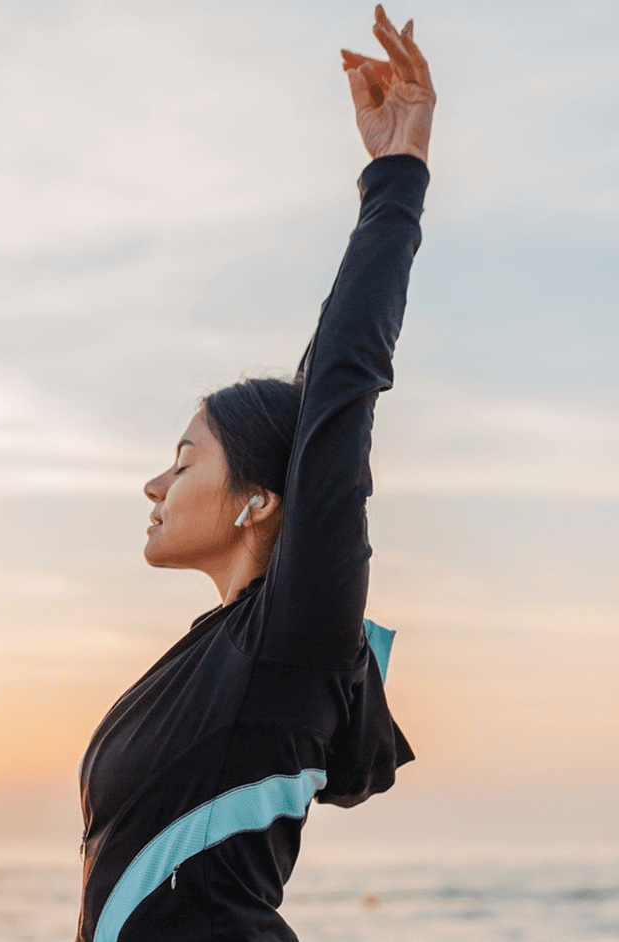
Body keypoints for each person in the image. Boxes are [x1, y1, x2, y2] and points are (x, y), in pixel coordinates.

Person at [76, 6, 435, 940]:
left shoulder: (292, 640)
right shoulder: (223, 651)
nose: (154, 485)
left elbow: (340, 389)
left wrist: (394, 177)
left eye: (185, 459)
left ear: (263, 503)